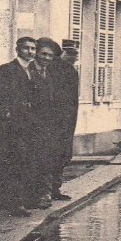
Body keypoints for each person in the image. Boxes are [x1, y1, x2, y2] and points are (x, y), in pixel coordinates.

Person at [0, 37, 38, 217]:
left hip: (27, 125)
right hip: (12, 125)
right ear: (17, 49)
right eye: (26, 48)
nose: (30, 52)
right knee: (13, 163)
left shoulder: (32, 71)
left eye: (33, 49)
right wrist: (7, 114)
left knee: (22, 162)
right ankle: (12, 204)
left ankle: (8, 203)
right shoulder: (7, 70)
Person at [40, 37, 79, 200]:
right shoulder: (52, 69)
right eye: (70, 53)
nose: (74, 56)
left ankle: (54, 189)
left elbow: (73, 99)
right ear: (62, 53)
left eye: (75, 53)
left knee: (61, 154)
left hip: (67, 120)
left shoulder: (70, 70)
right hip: (54, 120)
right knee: (51, 154)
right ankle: (48, 191)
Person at [28, 39, 58, 209]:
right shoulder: (29, 71)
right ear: (37, 54)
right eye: (43, 54)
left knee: (46, 160)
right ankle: (34, 197)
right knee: (33, 161)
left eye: (50, 55)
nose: (46, 58)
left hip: (48, 125)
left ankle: (44, 194)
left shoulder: (51, 73)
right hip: (33, 124)